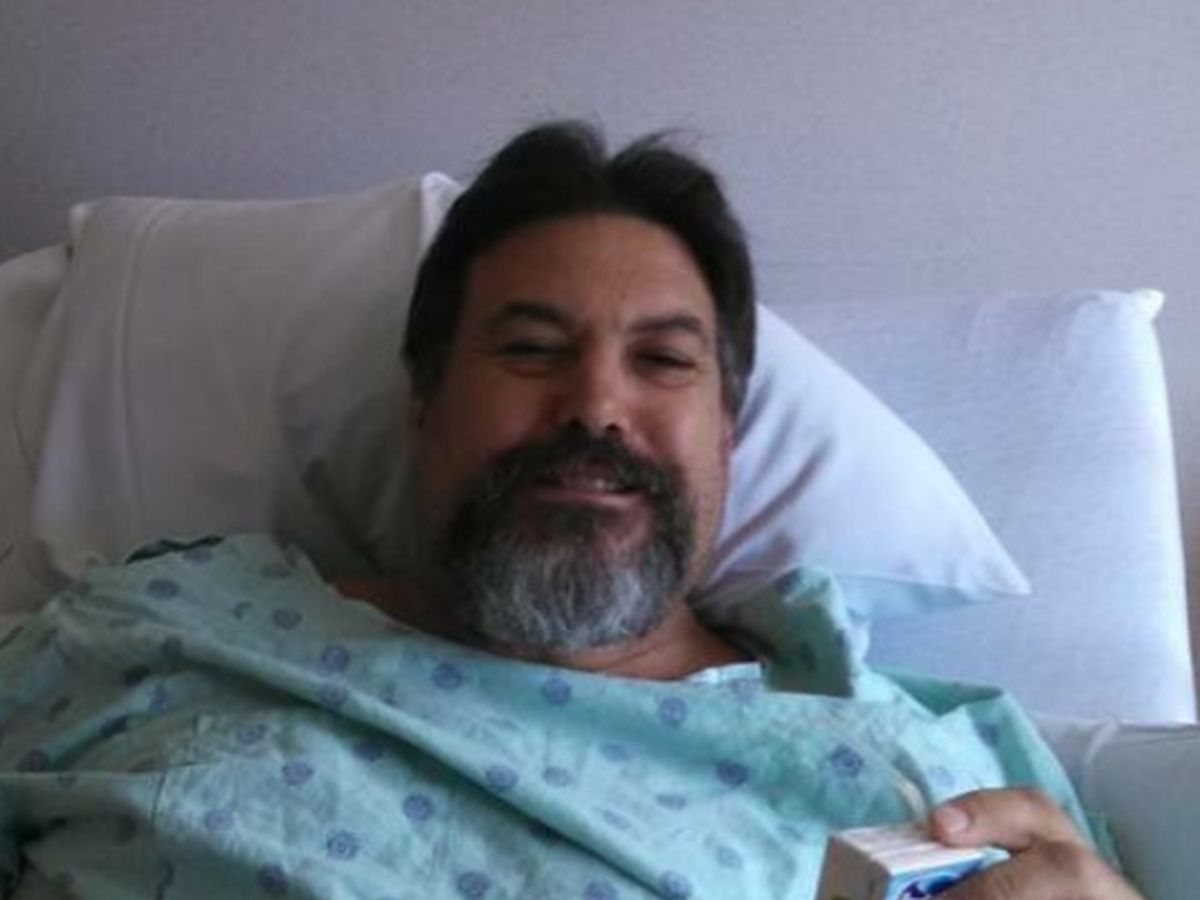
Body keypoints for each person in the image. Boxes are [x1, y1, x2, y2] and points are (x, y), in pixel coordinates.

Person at [0, 122, 1140, 899]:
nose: (595, 405)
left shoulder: (932, 763)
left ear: (728, 436)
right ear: (425, 403)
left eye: (663, 360)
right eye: (532, 349)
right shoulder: (157, 632)